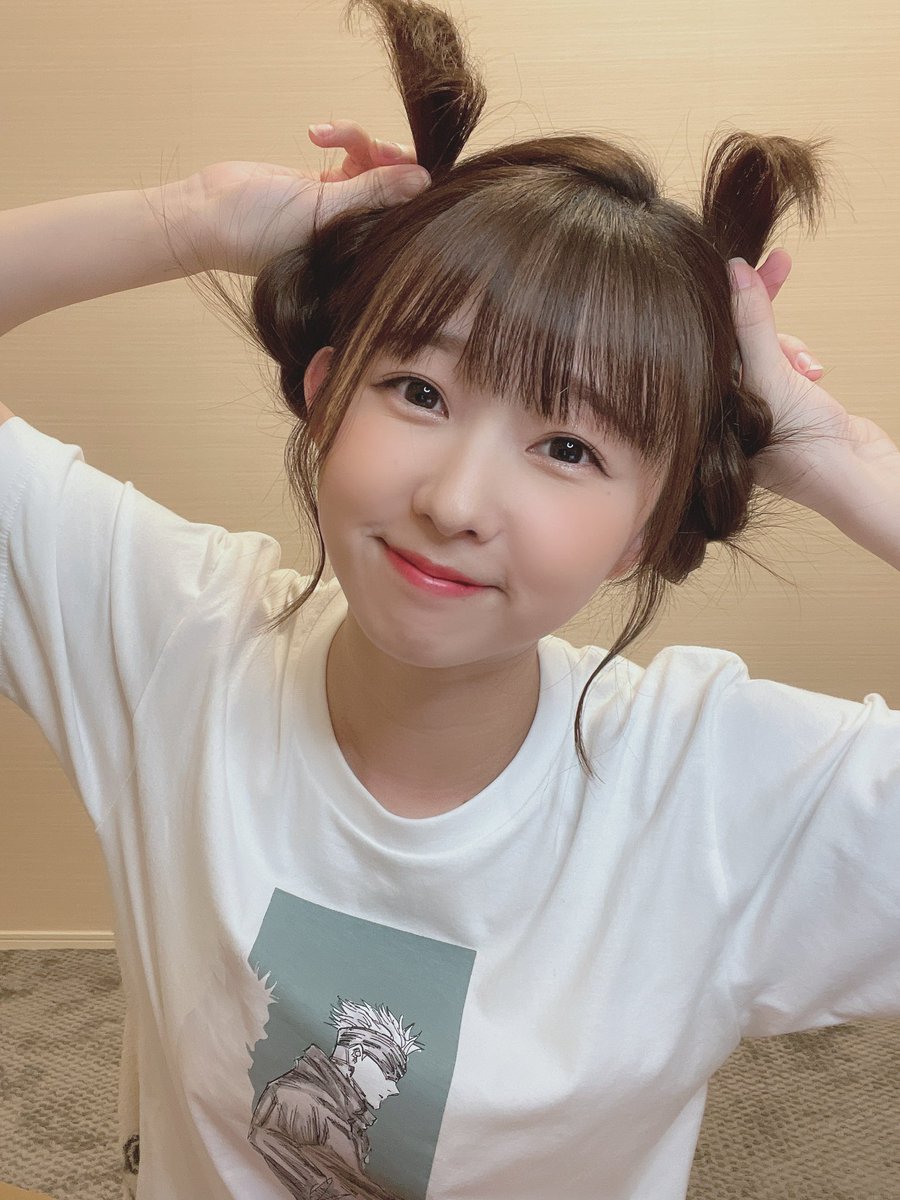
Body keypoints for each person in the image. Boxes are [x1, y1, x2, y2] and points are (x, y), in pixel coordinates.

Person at [1, 0, 898, 1197]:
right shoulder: (177, 640)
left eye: (569, 448)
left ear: (646, 532)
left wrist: (846, 464)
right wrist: (195, 218)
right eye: (419, 392)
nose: (457, 500)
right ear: (326, 395)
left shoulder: (724, 795)